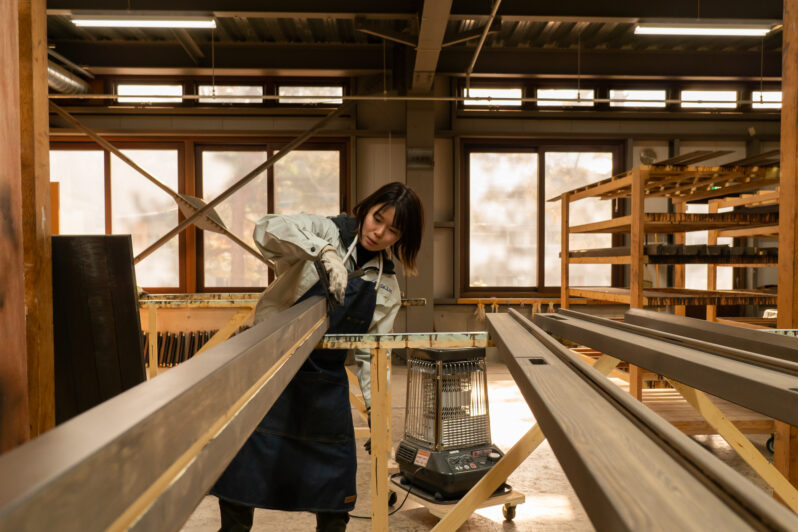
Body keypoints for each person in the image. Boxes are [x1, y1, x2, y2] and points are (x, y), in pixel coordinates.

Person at [211, 181, 424, 532]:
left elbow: (373, 357)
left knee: (335, 480)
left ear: (401, 238)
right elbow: (265, 229)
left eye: (392, 230)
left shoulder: (385, 287)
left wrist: (378, 413)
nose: (379, 232)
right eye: (377, 218)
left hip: (323, 384)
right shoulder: (323, 230)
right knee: (242, 473)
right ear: (366, 209)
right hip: (267, 368)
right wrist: (321, 251)